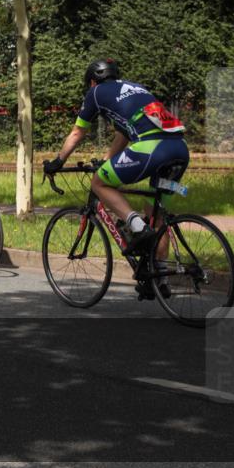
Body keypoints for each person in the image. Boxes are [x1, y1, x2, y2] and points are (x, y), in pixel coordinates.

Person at [44, 59, 189, 297]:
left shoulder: (96, 92)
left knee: (98, 183)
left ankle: (137, 226)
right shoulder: (136, 87)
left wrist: (57, 161)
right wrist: (106, 161)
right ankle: (160, 280)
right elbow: (124, 134)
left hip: (152, 148)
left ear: (92, 81)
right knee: (157, 216)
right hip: (179, 149)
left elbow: (78, 132)